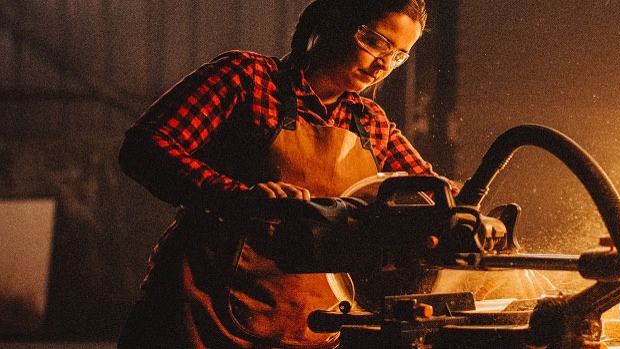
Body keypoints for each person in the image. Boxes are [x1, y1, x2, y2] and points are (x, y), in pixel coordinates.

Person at [116, 0, 439, 347]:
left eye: (399, 55)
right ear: (334, 22)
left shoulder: (372, 123)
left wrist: (470, 225)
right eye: (377, 42)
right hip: (194, 318)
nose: (384, 65)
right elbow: (145, 146)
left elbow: (435, 194)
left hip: (310, 329)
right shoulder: (248, 79)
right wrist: (235, 196)